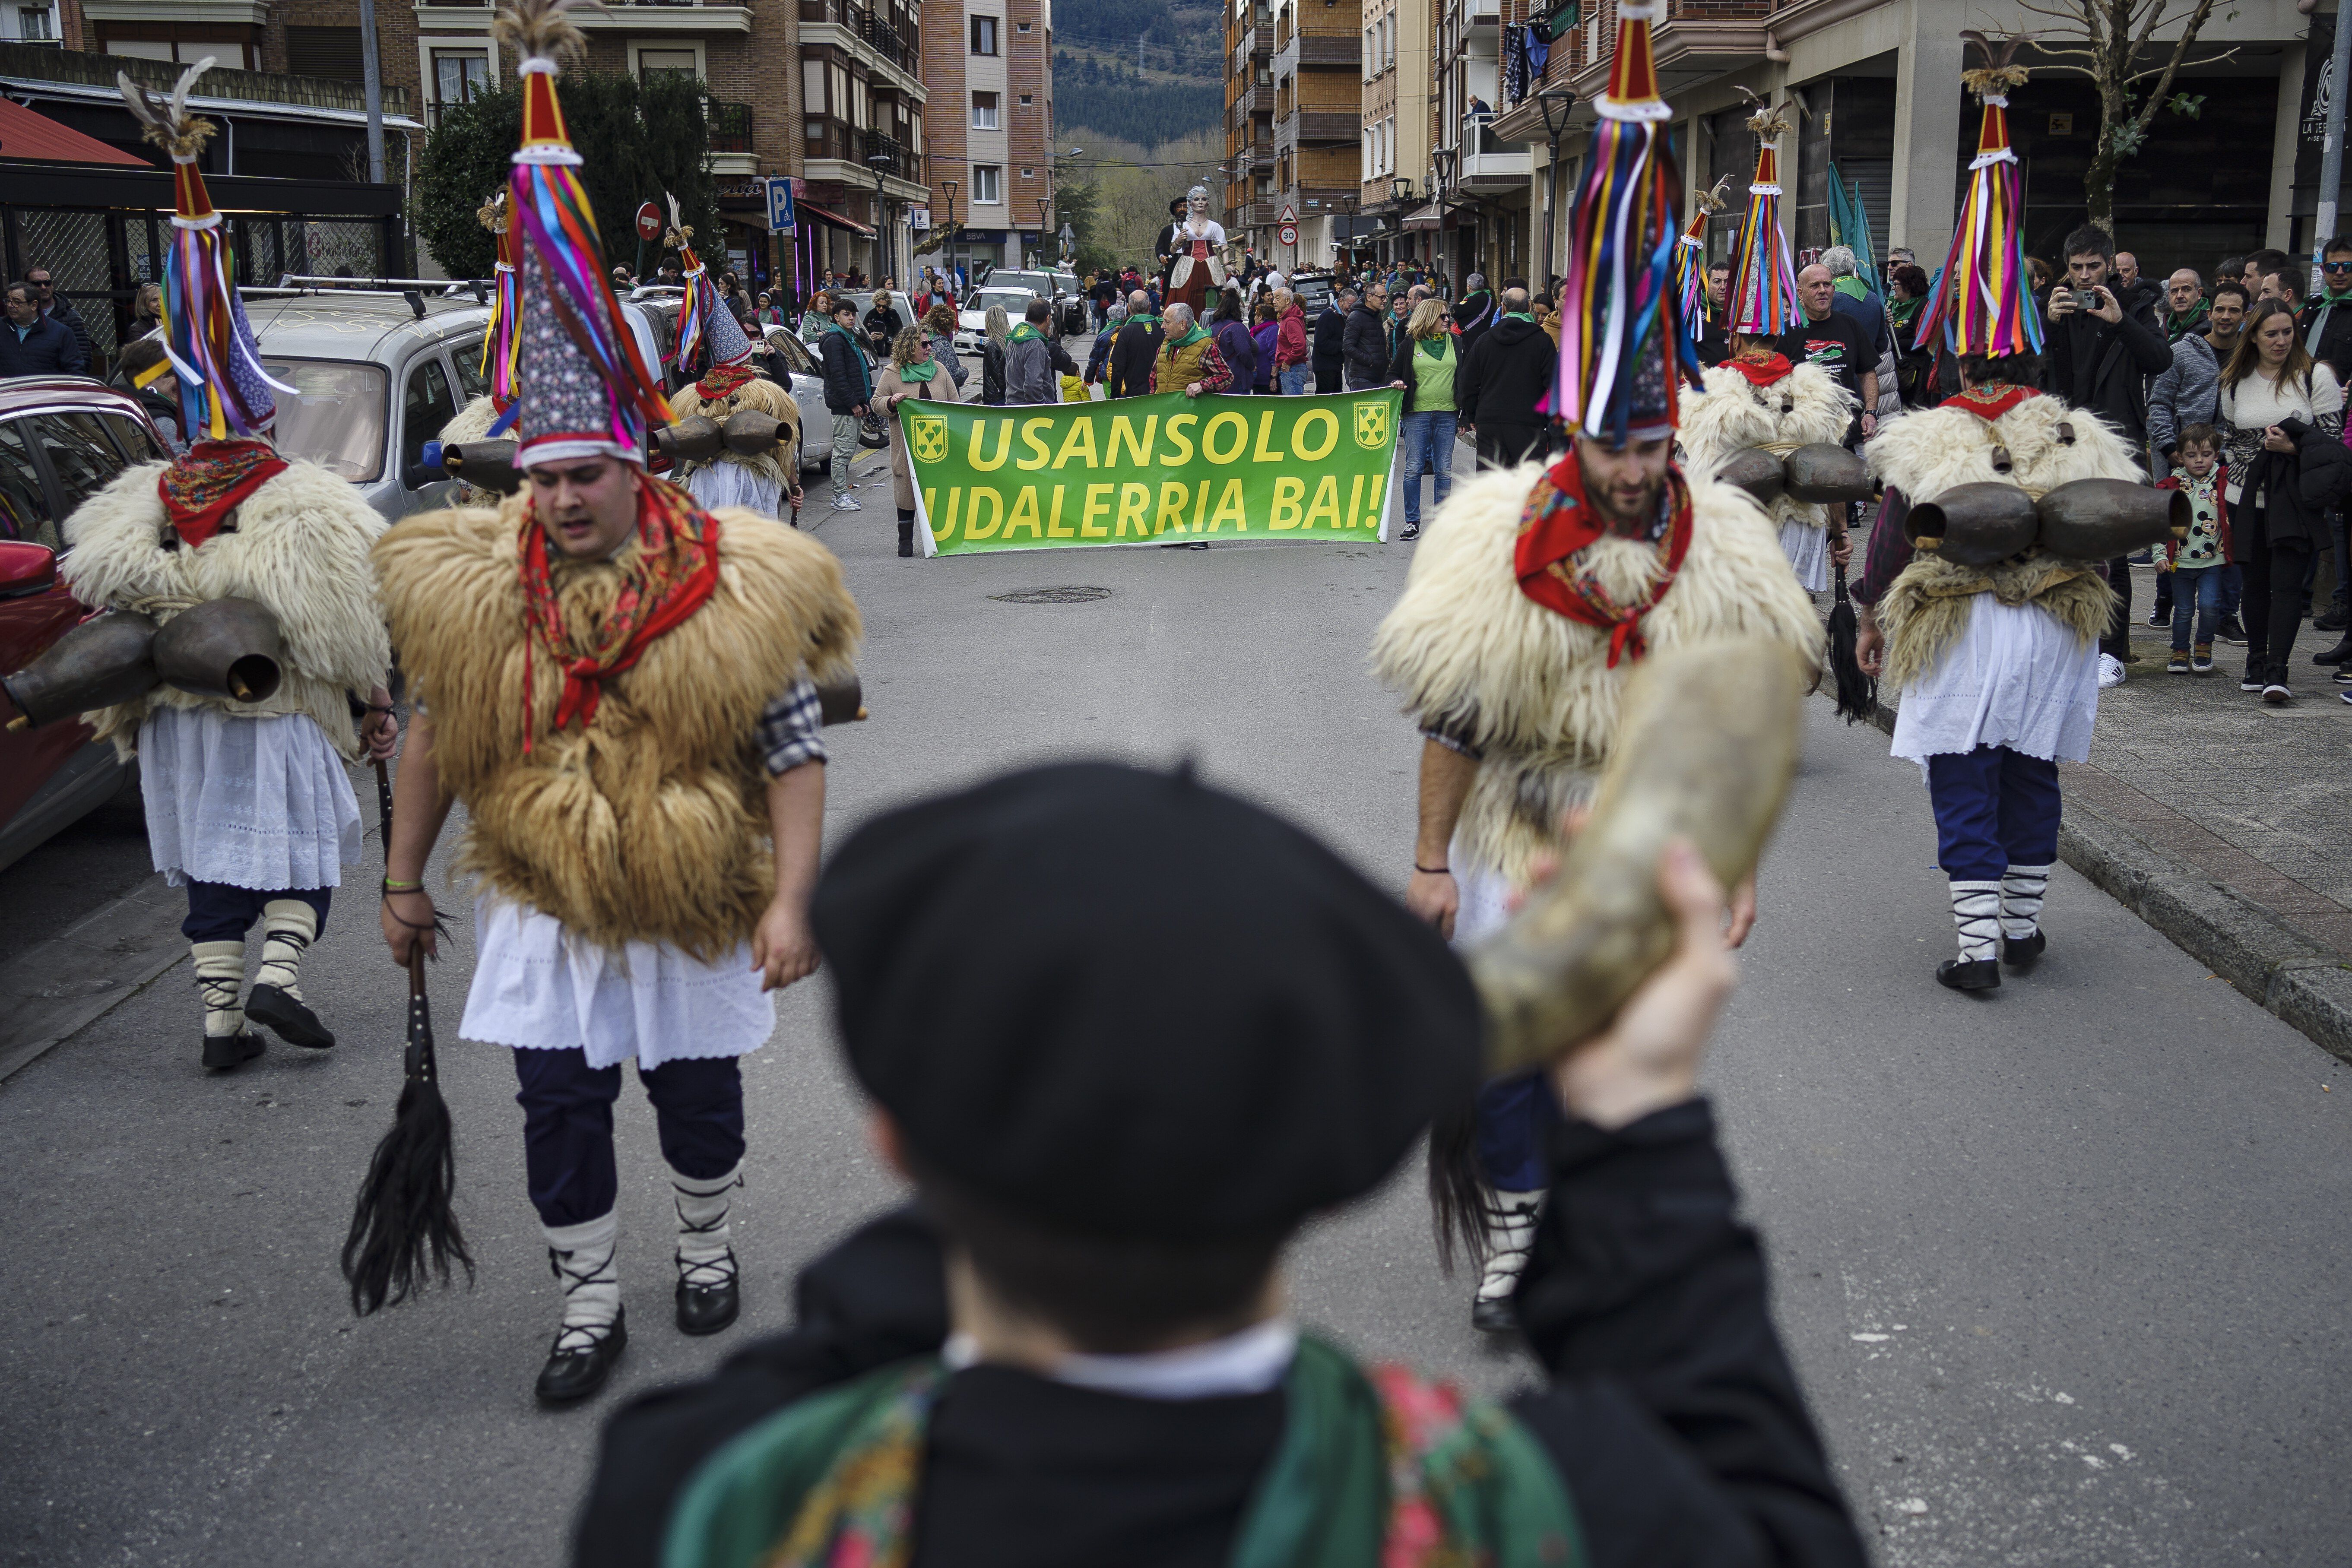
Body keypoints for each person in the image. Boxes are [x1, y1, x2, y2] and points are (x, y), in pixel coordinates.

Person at [577, 756, 1873, 1568]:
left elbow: (836, 1342)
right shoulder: (1544, 1509)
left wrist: (1016, 1129)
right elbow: (1764, 1506)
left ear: (896, 1144)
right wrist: (1634, 1106)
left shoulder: (701, 1499)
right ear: (1323, 1175)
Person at [373, 0, 861, 1408]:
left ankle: (704, 1248)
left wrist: (791, 900)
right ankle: (585, 1304)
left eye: (584, 471)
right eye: (542, 476)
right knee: (556, 1105)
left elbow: (794, 745)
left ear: (636, 467)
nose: (562, 495)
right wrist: (405, 880)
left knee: (696, 1096)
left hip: (694, 882)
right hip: (544, 890)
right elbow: (434, 734)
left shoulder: (728, 582)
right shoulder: (478, 588)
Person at [1372, 12, 1816, 1331]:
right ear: (1576, 430)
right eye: (1614, 447)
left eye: (1650, 444)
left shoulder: (1722, 544)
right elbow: (1453, 714)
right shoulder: (1493, 538)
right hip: (1525, 826)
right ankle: (1514, 1238)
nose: (1635, 470)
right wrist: (1434, 862)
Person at [58, 64, 395, 1072]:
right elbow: (344, 625)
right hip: (277, 710)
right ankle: (280, 978)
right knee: (303, 854)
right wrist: (372, 701)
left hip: (178, 729)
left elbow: (108, 602)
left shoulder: (138, 506)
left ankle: (217, 1024)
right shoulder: (307, 500)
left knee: (214, 866)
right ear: (260, 407)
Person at [1851, 54, 2147, 991]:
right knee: (2031, 771)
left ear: (1950, 343)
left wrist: (1867, 613)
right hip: (2053, 627)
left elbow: (1897, 540)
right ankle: (2021, 930)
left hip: (1961, 629)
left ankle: (1977, 950)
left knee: (1963, 770)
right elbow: (2107, 531)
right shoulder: (2069, 429)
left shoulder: (1930, 432)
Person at [2043, 222, 2173, 680]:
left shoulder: (2135, 303)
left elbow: (2159, 359)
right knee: (2060, 546)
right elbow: (2033, 376)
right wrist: (2049, 326)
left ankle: (2111, 652)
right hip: (2062, 443)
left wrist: (2121, 322)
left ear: (2108, 265)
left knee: (2112, 553)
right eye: (2075, 267)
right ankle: (2068, 642)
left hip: (2112, 445)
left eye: (2092, 266)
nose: (2083, 277)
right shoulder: (2054, 305)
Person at [2217, 298, 2350, 702]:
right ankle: (2255, 661)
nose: (2280, 341)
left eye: (2287, 332)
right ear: (2253, 337)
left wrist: (2292, 448)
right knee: (2254, 584)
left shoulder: (2315, 377)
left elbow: (2331, 442)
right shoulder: (2234, 380)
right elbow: (2230, 436)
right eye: (2271, 334)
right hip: (2244, 495)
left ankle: (2279, 668)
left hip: (2293, 499)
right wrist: (2252, 453)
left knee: (2287, 585)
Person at [1680, 325, 1858, 593]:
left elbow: (1695, 468)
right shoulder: (1812, 389)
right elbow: (1828, 468)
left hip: (1737, 524)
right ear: (1775, 338)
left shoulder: (1708, 389)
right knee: (1790, 614)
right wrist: (1840, 530)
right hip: (1800, 521)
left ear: (1736, 339)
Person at [666, 221, 804, 519]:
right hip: (752, 479)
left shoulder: (693, 396)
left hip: (705, 481)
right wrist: (793, 484)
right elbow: (784, 445)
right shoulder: (765, 393)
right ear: (746, 359)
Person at [874, 321, 962, 557]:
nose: (929, 348)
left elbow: (956, 405)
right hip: (908, 447)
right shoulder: (892, 373)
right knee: (907, 493)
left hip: (941, 445)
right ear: (909, 346)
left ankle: (943, 539)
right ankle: (906, 540)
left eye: (930, 343)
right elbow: (876, 403)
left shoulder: (940, 370)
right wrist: (891, 403)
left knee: (940, 491)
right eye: (924, 344)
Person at [2155, 425, 2231, 674]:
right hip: (2180, 562)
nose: (2200, 460)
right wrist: (2158, 555)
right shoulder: (2169, 487)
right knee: (2184, 609)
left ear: (2217, 454)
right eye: (2191, 455)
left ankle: (2203, 646)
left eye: (2206, 454)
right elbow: (2158, 524)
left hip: (2213, 561)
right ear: (2179, 456)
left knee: (2210, 606)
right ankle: (2179, 650)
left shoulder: (2225, 483)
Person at [1384, 298, 1459, 542]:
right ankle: (1412, 522)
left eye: (1448, 316)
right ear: (1429, 318)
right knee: (1414, 468)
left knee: (1444, 470)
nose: (1448, 320)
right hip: (1416, 413)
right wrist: (1396, 382)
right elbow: (1393, 372)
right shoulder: (1410, 343)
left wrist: (1468, 412)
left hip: (1448, 413)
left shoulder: (1456, 343)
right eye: (1443, 317)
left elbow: (1466, 377)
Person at [1457, 286, 1554, 471]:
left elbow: (1467, 382)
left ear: (1503, 308)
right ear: (1529, 308)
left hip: (1490, 423)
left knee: (1491, 486)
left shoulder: (1484, 341)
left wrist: (1473, 414)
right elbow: (1554, 385)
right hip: (1529, 424)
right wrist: (1546, 418)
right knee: (1529, 486)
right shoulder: (1543, 342)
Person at [1781, 264, 1877, 441]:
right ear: (1801, 293)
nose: (1822, 291)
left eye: (1827, 285)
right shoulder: (1786, 333)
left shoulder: (1851, 325)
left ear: (1834, 289)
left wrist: (1871, 412)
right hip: (1805, 434)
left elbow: (1868, 374)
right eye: (1815, 286)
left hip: (1849, 431)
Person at [818, 298, 873, 511]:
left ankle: (842, 493)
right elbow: (839, 376)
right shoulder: (835, 340)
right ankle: (839, 495)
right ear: (836, 317)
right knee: (843, 451)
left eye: (853, 314)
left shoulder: (848, 337)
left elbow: (856, 373)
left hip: (853, 404)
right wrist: (853, 403)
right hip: (844, 407)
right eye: (846, 314)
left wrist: (862, 401)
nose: (851, 318)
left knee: (848, 450)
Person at [1164, 187, 1230, 317]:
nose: (1200, 202)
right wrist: (1178, 241)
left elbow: (1224, 245)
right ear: (1191, 203)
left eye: (1204, 199)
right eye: (1197, 199)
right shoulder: (1183, 226)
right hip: (1187, 264)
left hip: (1210, 264)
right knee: (1184, 294)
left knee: (1214, 295)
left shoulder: (1214, 226)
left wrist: (1227, 263)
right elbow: (1171, 250)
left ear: (1208, 203)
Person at [0, 279, 86, 377]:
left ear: (34, 305)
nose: (11, 306)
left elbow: (75, 371)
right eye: (8, 301)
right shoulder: (2, 327)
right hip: (7, 391)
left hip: (46, 391)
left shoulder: (61, 333)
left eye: (17, 302)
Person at [1151, 301, 1232, 401]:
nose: (1162, 326)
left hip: (1189, 415)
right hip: (1164, 413)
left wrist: (1202, 385)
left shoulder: (1205, 347)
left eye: (1167, 322)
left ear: (1182, 325)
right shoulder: (1166, 344)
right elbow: (1154, 377)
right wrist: (1153, 404)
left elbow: (1227, 376)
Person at [25, 266, 95, 374]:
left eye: (47, 283)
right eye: (37, 284)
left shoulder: (70, 318)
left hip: (59, 383)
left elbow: (83, 359)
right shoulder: (22, 317)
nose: (44, 287)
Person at [1887, 263, 1937, 407]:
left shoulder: (1922, 306)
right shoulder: (1892, 306)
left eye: (1896, 284)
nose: (1893, 288)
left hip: (1916, 372)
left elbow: (1921, 342)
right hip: (1896, 369)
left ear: (1908, 286)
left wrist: (1892, 342)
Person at [1107, 291, 1161, 399]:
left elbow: (1118, 369)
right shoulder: (1164, 329)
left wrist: (1114, 397)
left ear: (1129, 308)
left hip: (1135, 396)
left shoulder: (1125, 332)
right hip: (1161, 394)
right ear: (1150, 306)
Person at [1208, 286, 1257, 395]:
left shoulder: (1212, 327)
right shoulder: (1237, 328)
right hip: (1236, 379)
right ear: (1237, 308)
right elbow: (1244, 352)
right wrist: (1252, 366)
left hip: (1216, 379)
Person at [1343, 282, 1389, 390]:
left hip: (1378, 376)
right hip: (1362, 378)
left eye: (1386, 297)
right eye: (1382, 297)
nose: (1385, 301)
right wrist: (1370, 361)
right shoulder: (1356, 317)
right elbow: (1348, 347)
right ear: (1369, 297)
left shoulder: (1377, 315)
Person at [1312, 285, 1352, 393]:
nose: (1351, 308)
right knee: (1325, 403)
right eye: (1350, 305)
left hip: (1335, 367)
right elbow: (1321, 343)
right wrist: (1344, 346)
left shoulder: (1342, 316)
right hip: (1325, 368)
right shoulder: (1328, 316)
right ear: (1341, 301)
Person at [1271, 286, 1309, 394]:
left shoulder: (1290, 321)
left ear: (1287, 301)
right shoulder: (1288, 318)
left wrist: (1287, 362)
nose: (1274, 302)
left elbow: (1299, 345)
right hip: (1293, 369)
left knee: (1293, 408)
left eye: (1278, 299)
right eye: (1274, 298)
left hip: (1293, 369)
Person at [2163, 268, 2209, 342]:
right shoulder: (2164, 326)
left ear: (2199, 293)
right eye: (2174, 291)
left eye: (2186, 290)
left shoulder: (2211, 326)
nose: (2179, 296)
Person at [1454, 270, 1495, 353]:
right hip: (1485, 336)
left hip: (1471, 338)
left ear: (1469, 287)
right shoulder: (1488, 297)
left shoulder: (1472, 299)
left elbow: (1456, 310)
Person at [979, 303, 1011, 406]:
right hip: (1001, 397)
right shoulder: (1007, 344)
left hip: (997, 397)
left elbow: (998, 378)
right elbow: (999, 378)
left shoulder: (993, 346)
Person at [1248, 294, 1280, 394]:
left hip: (1267, 383)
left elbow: (1275, 356)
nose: (1255, 319)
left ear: (1260, 317)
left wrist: (1273, 378)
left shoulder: (1273, 330)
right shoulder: (1258, 331)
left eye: (1256, 315)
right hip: (1257, 381)